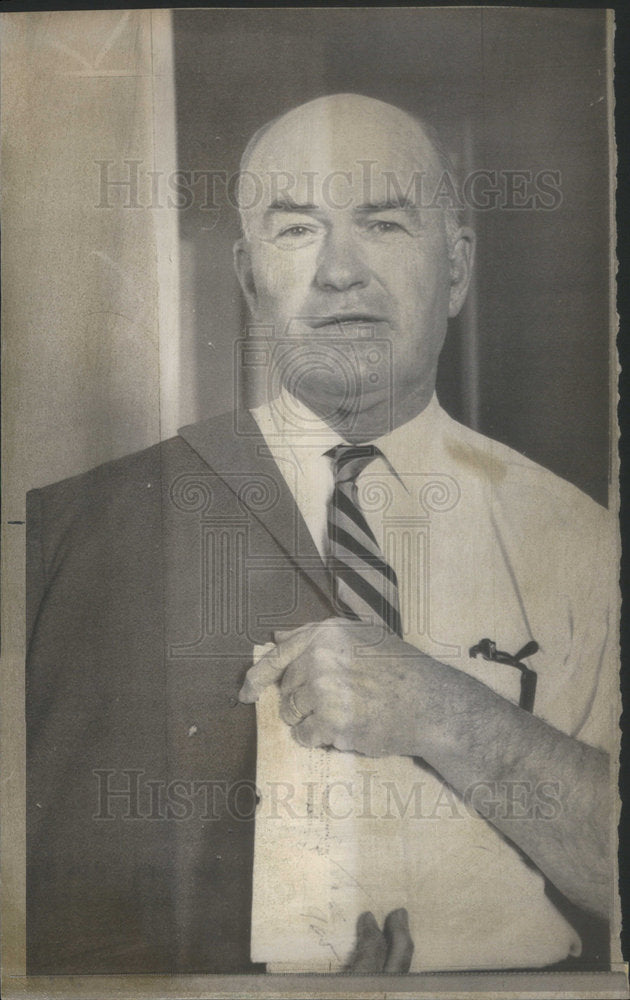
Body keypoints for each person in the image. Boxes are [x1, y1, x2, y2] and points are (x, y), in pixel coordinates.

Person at [26, 94, 615, 976]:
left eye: (382, 223)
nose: (340, 271)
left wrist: (443, 710)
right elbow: (45, 915)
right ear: (248, 273)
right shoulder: (94, 530)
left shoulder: (578, 537)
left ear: (456, 270)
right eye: (297, 230)